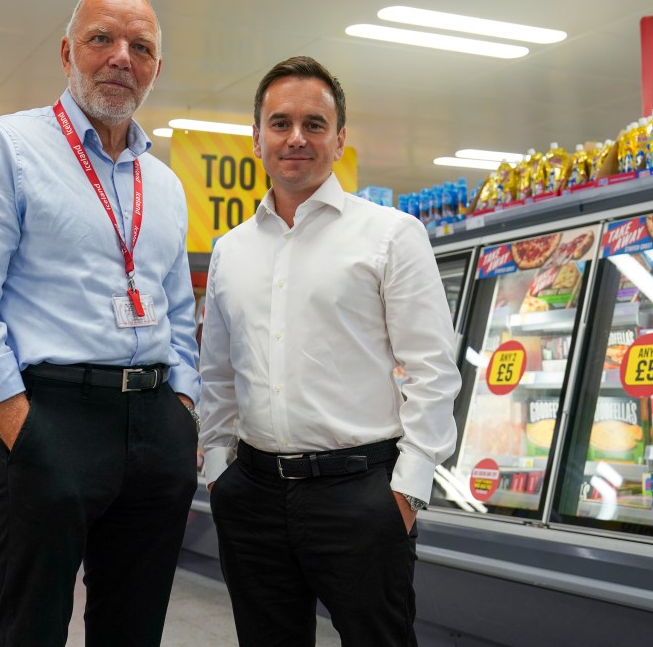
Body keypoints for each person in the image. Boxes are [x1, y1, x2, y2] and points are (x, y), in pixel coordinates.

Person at [0, 0, 200, 647]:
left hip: (154, 423)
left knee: (133, 627)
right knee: (33, 628)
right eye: (100, 39)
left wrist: (183, 411)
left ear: (155, 67)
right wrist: (23, 430)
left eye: (139, 47)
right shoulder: (7, 149)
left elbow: (178, 311)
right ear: (66, 52)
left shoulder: (162, 184)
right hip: (48, 417)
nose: (119, 58)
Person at [198, 56, 461, 646]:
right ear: (256, 138)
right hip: (253, 495)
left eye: (314, 124)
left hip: (363, 495)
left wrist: (407, 491)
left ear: (339, 140)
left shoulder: (392, 234)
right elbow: (216, 371)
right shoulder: (230, 251)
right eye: (281, 122)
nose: (297, 138)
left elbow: (432, 368)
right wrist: (218, 468)